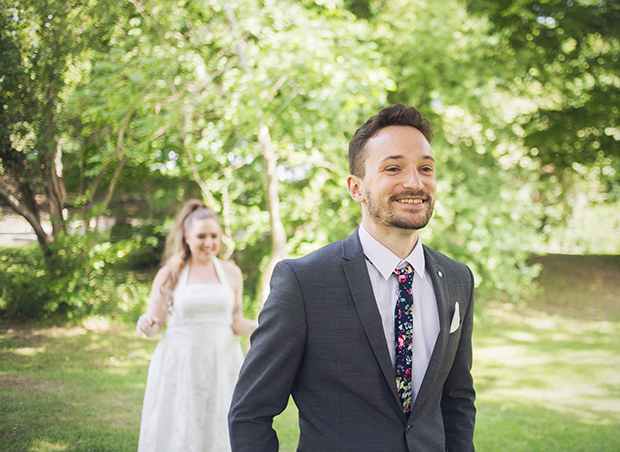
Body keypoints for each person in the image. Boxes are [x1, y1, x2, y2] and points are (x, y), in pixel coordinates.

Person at [228, 104, 476, 452]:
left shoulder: (457, 279)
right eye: (393, 168)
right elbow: (250, 413)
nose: (415, 182)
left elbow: (457, 400)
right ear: (356, 188)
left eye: (426, 168)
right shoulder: (303, 282)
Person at [136, 200, 257, 452]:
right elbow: (154, 324)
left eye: (214, 236)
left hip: (222, 362)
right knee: (180, 425)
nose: (209, 242)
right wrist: (145, 325)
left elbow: (235, 321)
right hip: (180, 363)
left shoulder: (231, 273)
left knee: (219, 424)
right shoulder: (169, 274)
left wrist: (262, 326)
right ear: (187, 237)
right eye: (201, 236)